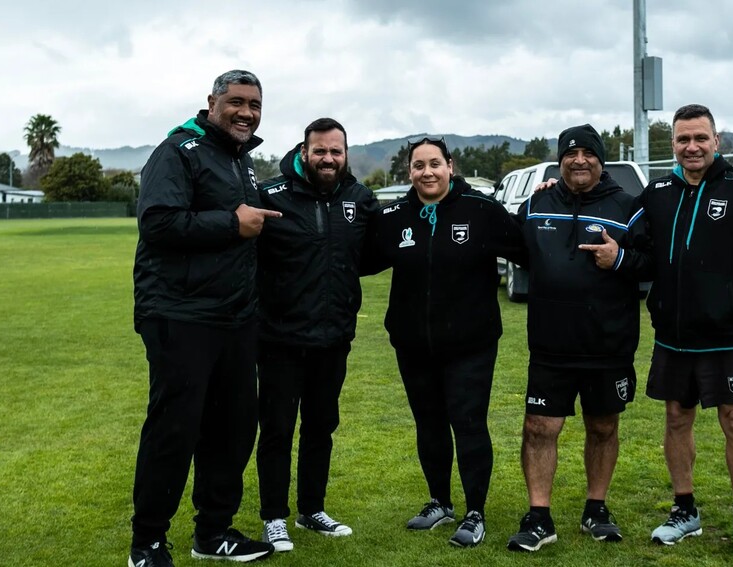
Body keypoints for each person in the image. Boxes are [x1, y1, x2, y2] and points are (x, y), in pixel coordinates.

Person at [129, 70, 278, 566]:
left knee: (234, 430)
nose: (246, 112)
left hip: (235, 317)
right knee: (176, 429)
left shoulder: (242, 160)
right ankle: (147, 543)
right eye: (236, 102)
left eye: (254, 104)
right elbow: (157, 222)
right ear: (212, 102)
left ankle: (213, 534)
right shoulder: (178, 151)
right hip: (179, 313)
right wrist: (232, 223)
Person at [362, 136, 525, 548]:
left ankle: (475, 511)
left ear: (450, 166)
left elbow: (529, 248)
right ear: (409, 172)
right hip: (414, 344)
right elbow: (358, 258)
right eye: (419, 166)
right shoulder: (395, 215)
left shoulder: (482, 212)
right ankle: (439, 501)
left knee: (468, 423)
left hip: (471, 343)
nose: (427, 172)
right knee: (428, 424)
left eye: (435, 163)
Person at [640, 104, 733, 558]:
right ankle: (685, 512)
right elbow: (625, 231)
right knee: (676, 419)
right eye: (683, 139)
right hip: (673, 336)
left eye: (700, 138)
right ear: (673, 145)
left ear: (716, 141)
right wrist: (553, 187)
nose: (691, 147)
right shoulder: (658, 191)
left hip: (727, 337)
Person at [505, 125, 651, 552]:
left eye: (589, 153)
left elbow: (654, 262)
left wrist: (620, 257)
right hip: (550, 346)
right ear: (560, 160)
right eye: (571, 154)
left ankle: (596, 508)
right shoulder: (536, 204)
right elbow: (509, 247)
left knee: (603, 426)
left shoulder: (629, 208)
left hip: (608, 344)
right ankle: (539, 517)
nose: (580, 160)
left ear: (601, 160)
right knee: (538, 428)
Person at [255, 118, 379, 551]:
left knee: (321, 426)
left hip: (334, 337)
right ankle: (274, 516)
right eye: (320, 151)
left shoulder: (360, 199)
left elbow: (384, 244)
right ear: (304, 152)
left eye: (336, 151)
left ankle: (312, 509)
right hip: (279, 339)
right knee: (277, 429)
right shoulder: (270, 195)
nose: (328, 159)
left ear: (346, 154)